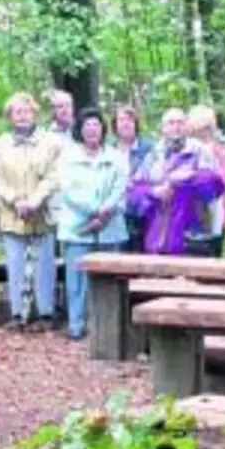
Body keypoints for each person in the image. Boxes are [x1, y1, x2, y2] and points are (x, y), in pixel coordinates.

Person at [0, 92, 63, 329]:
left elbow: (54, 176)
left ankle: (45, 314)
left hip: (42, 212)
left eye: (26, 111)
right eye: (16, 112)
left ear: (34, 113)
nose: (22, 116)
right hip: (12, 213)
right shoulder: (0, 144)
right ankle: (18, 314)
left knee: (44, 264)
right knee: (15, 262)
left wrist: (35, 200)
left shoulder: (51, 142)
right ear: (10, 116)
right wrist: (15, 200)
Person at [57, 108, 130, 340]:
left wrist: (105, 211)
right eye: (87, 125)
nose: (92, 130)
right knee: (76, 281)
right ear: (80, 129)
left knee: (109, 280)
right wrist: (92, 211)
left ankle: (107, 328)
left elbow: (120, 187)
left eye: (96, 125)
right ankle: (77, 325)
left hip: (111, 228)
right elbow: (67, 191)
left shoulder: (115, 157)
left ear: (103, 129)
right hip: (77, 228)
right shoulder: (68, 157)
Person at [127, 108, 225, 257]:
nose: (176, 126)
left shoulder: (200, 151)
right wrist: (154, 192)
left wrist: (188, 177)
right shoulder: (153, 154)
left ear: (187, 127)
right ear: (163, 128)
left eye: (180, 122)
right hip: (157, 234)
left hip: (192, 235)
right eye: (171, 123)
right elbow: (135, 189)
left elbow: (215, 185)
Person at [187, 105, 225, 258]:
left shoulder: (220, 151)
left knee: (214, 248)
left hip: (217, 208)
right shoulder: (187, 149)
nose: (204, 131)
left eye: (207, 126)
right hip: (192, 208)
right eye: (200, 126)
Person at [112, 105, 154, 252]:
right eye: (121, 120)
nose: (126, 123)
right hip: (115, 214)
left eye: (130, 119)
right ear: (114, 125)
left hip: (142, 213)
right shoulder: (109, 150)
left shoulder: (149, 148)